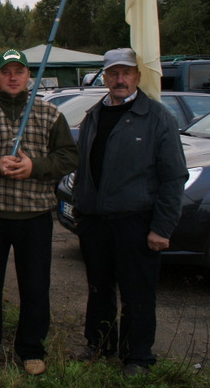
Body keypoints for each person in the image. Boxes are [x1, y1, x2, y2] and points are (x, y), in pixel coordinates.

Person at [0, 48, 78, 375]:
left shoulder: (49, 114)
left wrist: (35, 167)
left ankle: (31, 349)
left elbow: (68, 157)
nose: (12, 77)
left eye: (18, 71)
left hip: (34, 217)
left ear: (28, 76)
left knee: (35, 287)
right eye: (5, 72)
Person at [71, 48, 187, 376]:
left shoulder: (158, 118)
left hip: (135, 221)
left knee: (137, 293)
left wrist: (162, 227)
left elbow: (174, 177)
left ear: (137, 76)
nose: (120, 79)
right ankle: (99, 344)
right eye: (113, 73)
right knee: (99, 288)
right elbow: (84, 168)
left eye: (126, 73)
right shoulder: (94, 115)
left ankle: (138, 357)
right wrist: (81, 209)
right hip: (95, 222)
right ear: (105, 77)